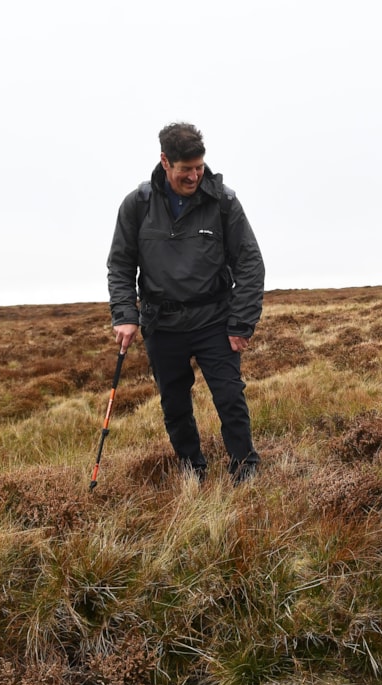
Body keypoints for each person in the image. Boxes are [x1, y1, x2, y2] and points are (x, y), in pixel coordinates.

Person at [106, 122, 265, 483]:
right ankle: (192, 467)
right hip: (162, 324)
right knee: (174, 404)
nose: (194, 176)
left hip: (214, 321)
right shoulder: (138, 205)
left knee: (229, 396)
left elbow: (250, 263)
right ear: (165, 162)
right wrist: (125, 315)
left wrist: (241, 323)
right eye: (185, 169)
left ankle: (245, 467)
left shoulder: (223, 202)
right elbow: (120, 264)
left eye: (199, 167)